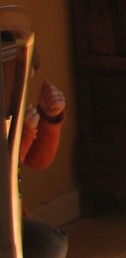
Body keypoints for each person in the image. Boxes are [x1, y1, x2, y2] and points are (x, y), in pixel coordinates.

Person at [17, 73, 68, 258]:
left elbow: (38, 160)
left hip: (11, 215)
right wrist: (22, 137)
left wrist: (49, 117)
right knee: (49, 245)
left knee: (52, 241)